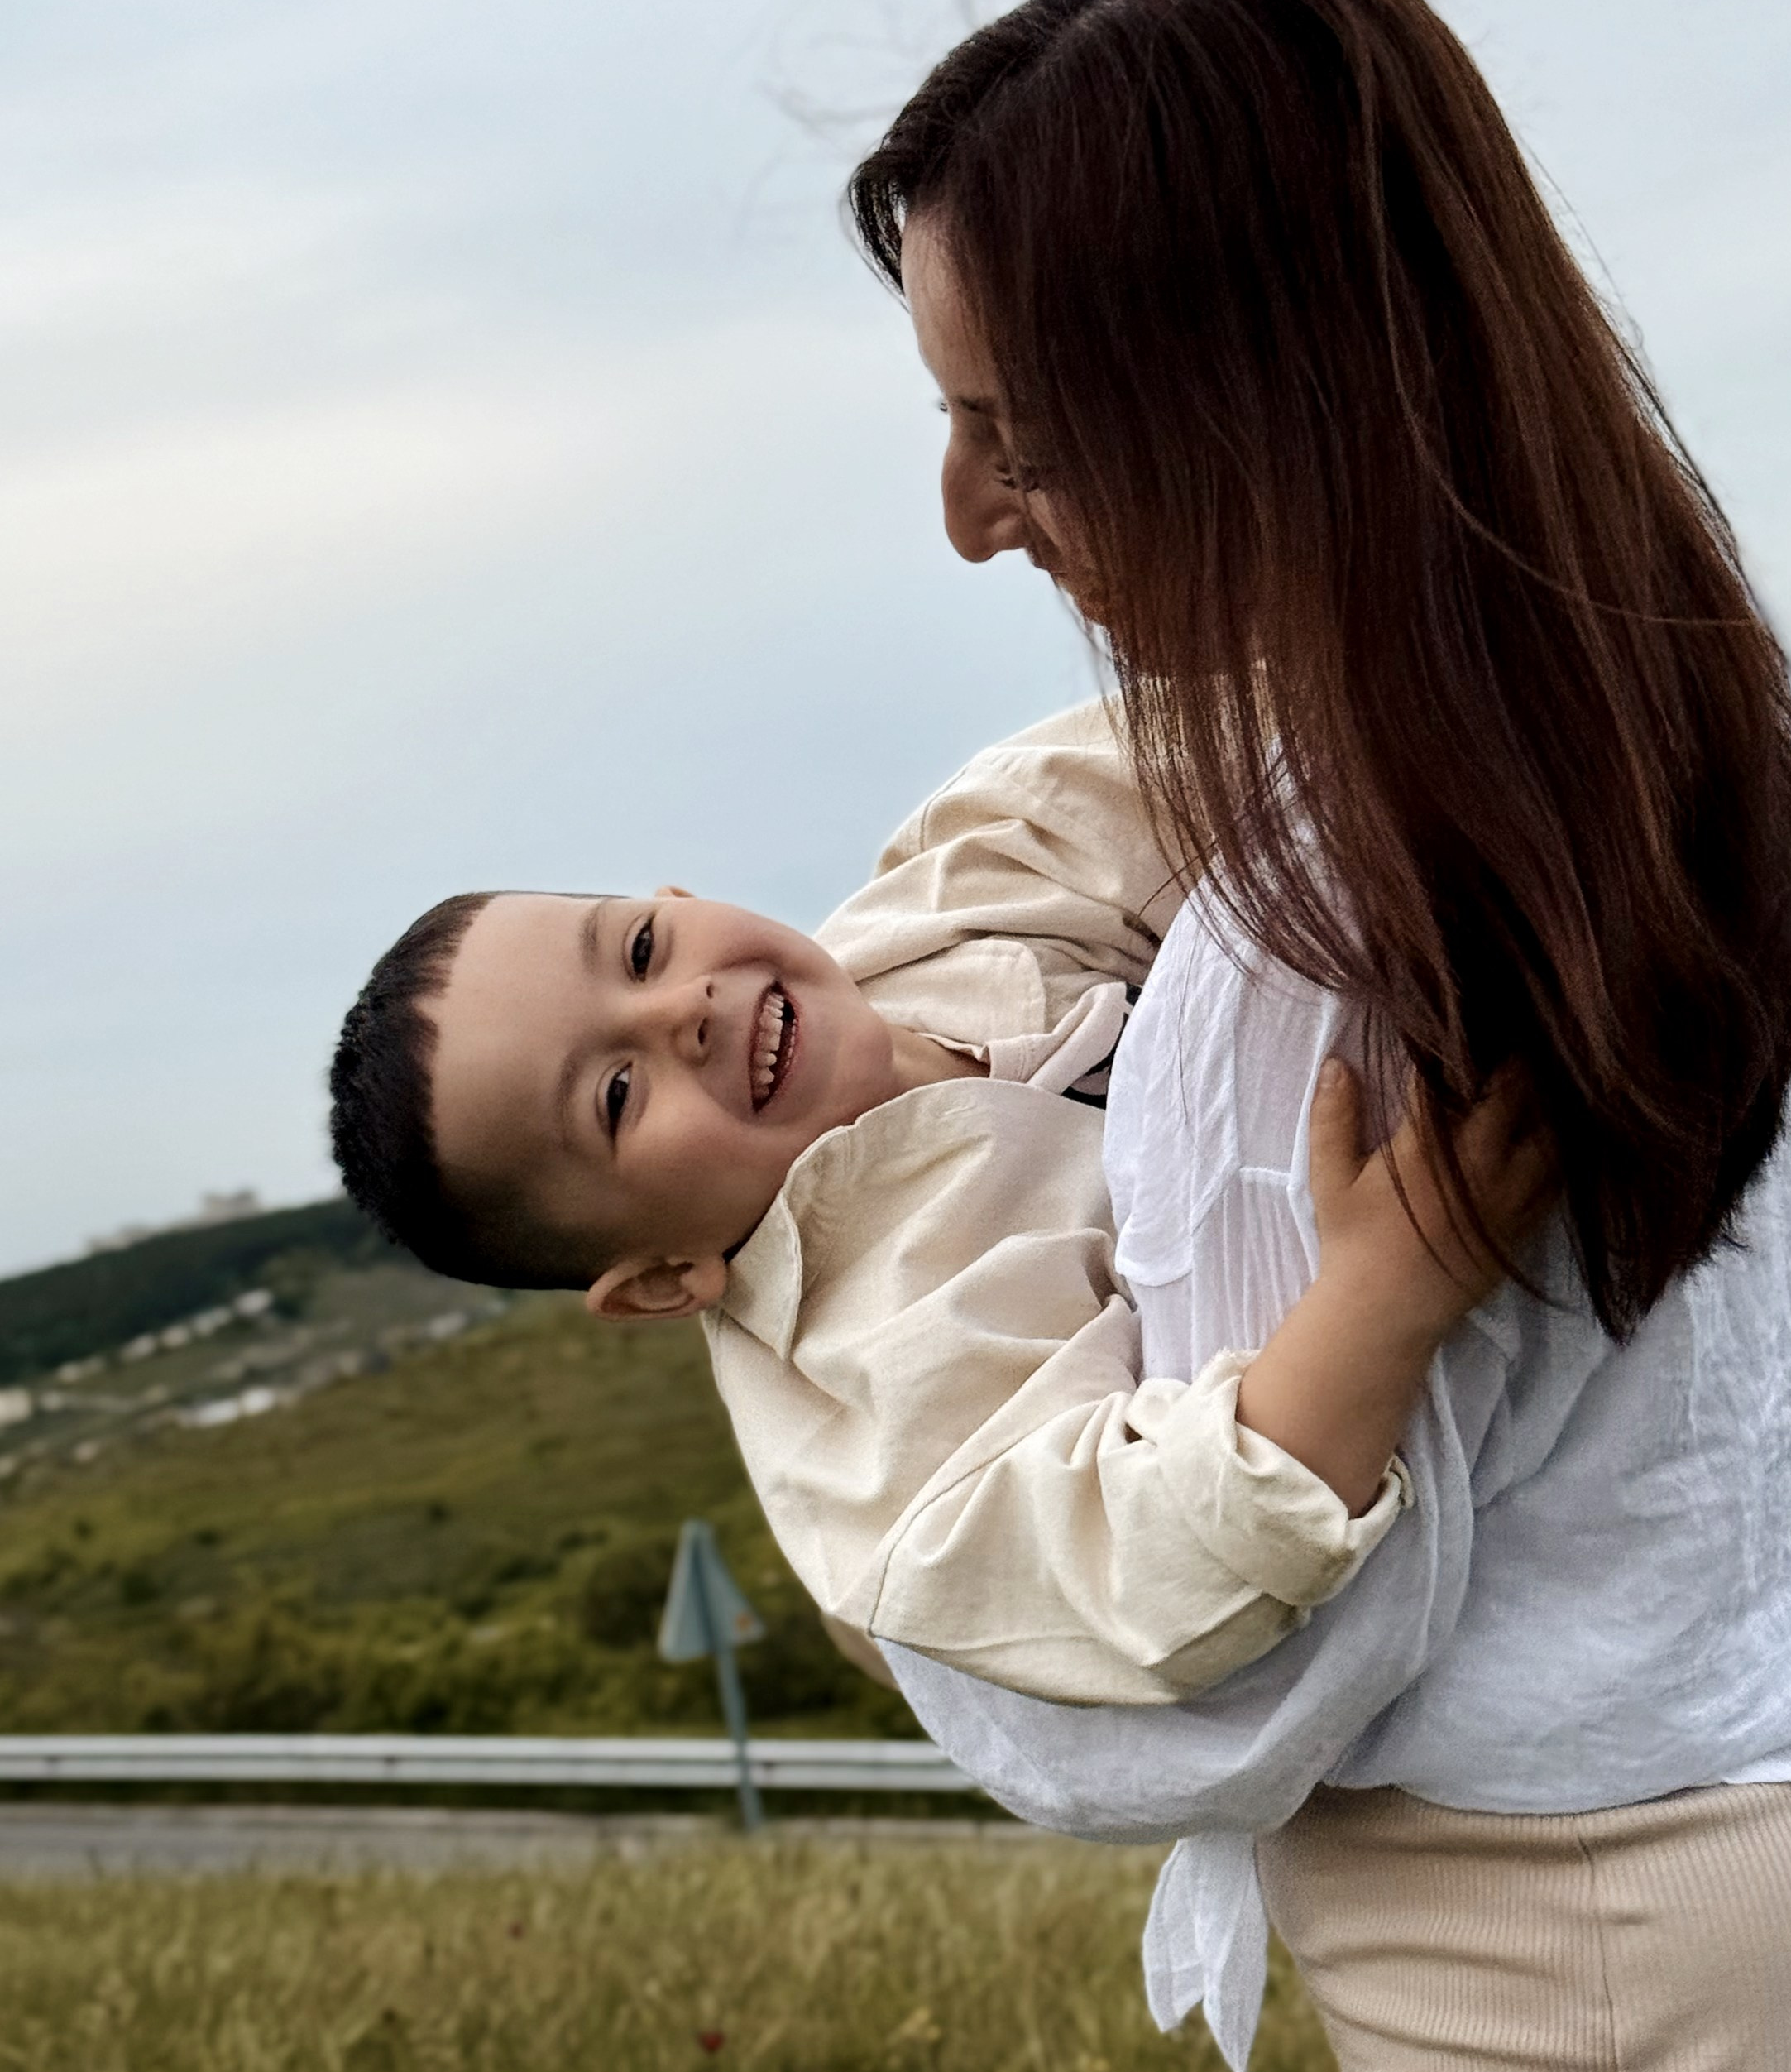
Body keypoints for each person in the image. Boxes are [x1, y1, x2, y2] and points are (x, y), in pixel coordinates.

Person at [845, 0, 1791, 2072]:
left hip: (1591, 2017)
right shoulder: (1694, 765)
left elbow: (1210, 1687)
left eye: (1006, 422)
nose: (961, 512)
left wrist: (903, 1493)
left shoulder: (1300, 962)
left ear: (1230, 384)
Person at [328, 699, 1548, 1707]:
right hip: (1513, 1578)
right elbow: (1153, 1565)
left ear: (675, 894)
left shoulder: (952, 896)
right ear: (661, 1282)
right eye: (614, 1096)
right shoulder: (883, 1396)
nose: (678, 1013)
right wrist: (1392, 1287)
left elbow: (1225, 744)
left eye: (641, 950)